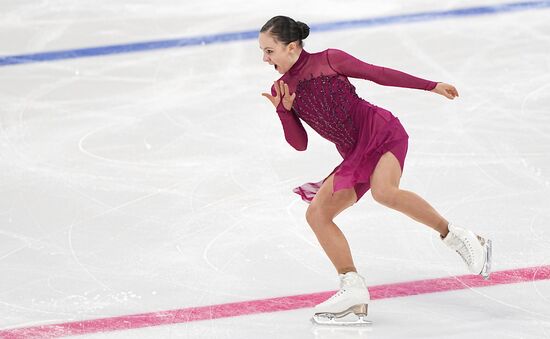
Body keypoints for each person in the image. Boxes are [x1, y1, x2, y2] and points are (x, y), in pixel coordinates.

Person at [259, 16, 492, 325]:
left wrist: (431, 85)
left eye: (270, 50)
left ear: (291, 47)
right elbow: (299, 144)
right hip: (355, 154)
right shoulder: (282, 88)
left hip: (381, 131)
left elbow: (378, 74)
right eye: (263, 51)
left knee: (384, 192)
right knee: (317, 214)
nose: (265, 59)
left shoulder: (329, 60)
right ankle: (352, 288)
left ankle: (460, 237)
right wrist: (283, 112)